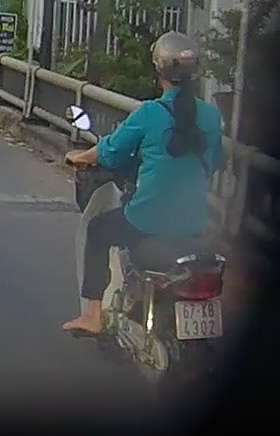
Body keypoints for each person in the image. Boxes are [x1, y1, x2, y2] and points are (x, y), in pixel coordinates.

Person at [62, 32, 225, 335]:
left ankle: (93, 316)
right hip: (194, 223)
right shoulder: (211, 116)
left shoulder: (150, 112)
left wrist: (79, 156)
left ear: (158, 70)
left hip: (147, 220)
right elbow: (216, 162)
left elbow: (111, 151)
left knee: (97, 231)